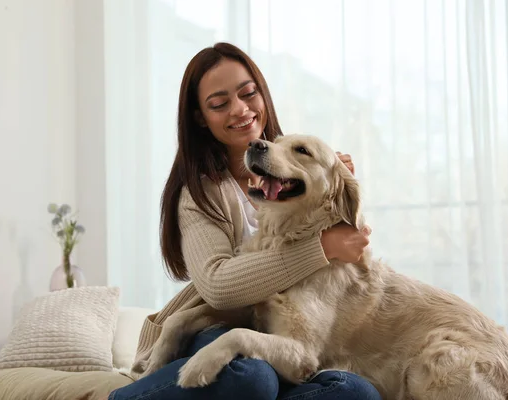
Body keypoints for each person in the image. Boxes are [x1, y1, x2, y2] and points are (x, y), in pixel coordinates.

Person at [106, 42, 380, 400]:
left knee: (356, 392)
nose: (240, 109)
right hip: (216, 324)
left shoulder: (295, 172)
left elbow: (339, 275)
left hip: (277, 338)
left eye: (248, 93)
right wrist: (322, 247)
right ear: (201, 118)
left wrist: (331, 189)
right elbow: (219, 288)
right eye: (219, 104)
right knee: (250, 376)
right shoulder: (199, 194)